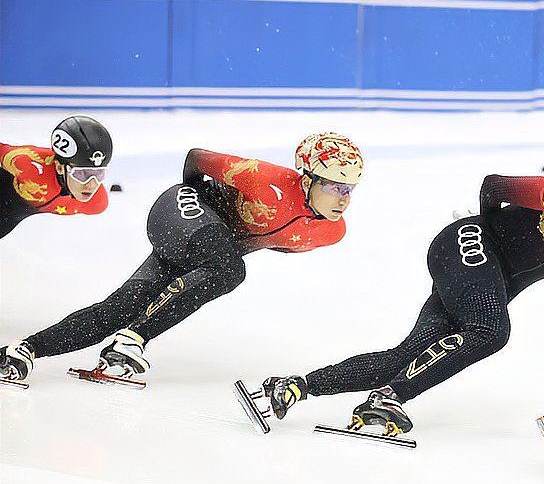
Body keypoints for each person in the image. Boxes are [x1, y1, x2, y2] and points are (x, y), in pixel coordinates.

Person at [251, 143, 544, 437]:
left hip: (495, 279)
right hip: (468, 245)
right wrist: (486, 232)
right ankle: (389, 399)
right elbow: (493, 186)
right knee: (491, 330)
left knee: (411, 355)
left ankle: (293, 387)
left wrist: (491, 284)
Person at [0, 133, 363, 384]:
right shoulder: (262, 178)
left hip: (207, 247)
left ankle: (24, 350)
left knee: (120, 308)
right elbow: (195, 159)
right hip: (184, 208)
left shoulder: (331, 232)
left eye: (349, 189)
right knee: (230, 270)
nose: (343, 198)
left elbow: (275, 243)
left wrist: (212, 243)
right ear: (306, 179)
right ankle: (133, 340)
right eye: (333, 186)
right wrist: (201, 201)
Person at [1, 116, 112, 239]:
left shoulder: (97, 202)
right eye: (81, 174)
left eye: (99, 174)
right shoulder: (29, 165)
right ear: (59, 167)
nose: (91, 184)